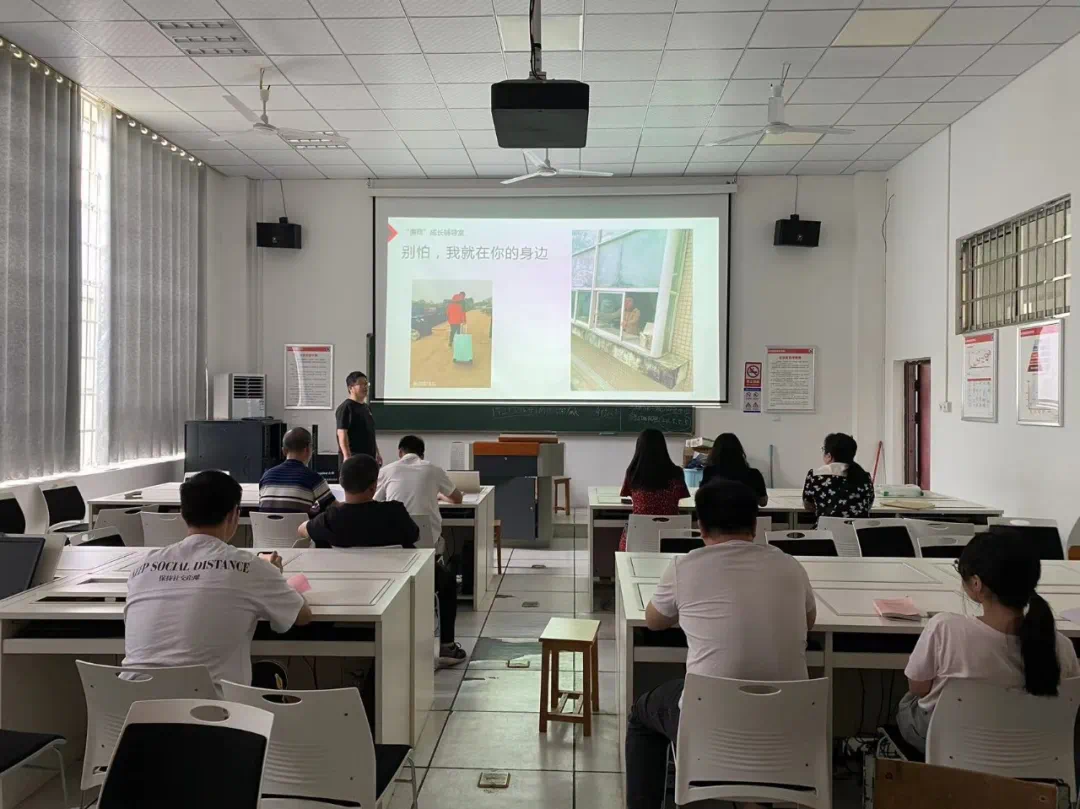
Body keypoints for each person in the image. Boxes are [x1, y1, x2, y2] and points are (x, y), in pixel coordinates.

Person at [625, 480, 816, 809]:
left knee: (642, 715)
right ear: (755, 525)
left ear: (699, 525)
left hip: (710, 733)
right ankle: (757, 798)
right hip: (786, 735)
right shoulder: (790, 566)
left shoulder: (684, 567)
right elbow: (808, 622)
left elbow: (653, 621)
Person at [123, 471, 313, 692]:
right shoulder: (251, 567)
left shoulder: (142, 568)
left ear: (183, 513)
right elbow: (302, 616)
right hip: (209, 709)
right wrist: (274, 576)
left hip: (130, 706)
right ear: (234, 514)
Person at [897, 529, 1079, 753]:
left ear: (976, 584)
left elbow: (919, 688)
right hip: (1031, 751)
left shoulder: (944, 629)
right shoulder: (1063, 646)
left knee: (908, 702)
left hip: (952, 746)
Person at [300, 454, 467, 668]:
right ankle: (447, 646)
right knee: (446, 579)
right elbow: (414, 534)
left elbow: (302, 530)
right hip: (398, 589)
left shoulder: (330, 518)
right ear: (373, 487)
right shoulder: (394, 512)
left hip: (346, 590)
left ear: (341, 484)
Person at [375, 434, 463, 548]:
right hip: (428, 541)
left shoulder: (386, 471)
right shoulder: (434, 469)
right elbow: (457, 498)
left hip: (395, 542)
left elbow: (375, 501)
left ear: (400, 452)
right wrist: (441, 497)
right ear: (422, 455)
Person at [618, 428, 690, 552]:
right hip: (672, 540)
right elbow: (681, 495)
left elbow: (628, 494)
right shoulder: (677, 473)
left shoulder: (633, 473)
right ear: (663, 448)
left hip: (639, 538)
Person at [259, 427, 336, 514]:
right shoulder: (314, 478)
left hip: (265, 523)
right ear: (308, 449)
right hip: (299, 523)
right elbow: (334, 508)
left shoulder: (266, 476)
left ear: (283, 451)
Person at [802, 432, 875, 519]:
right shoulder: (864, 476)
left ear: (829, 455)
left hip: (826, 527)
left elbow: (808, 505)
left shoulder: (814, 475)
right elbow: (868, 505)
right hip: (858, 527)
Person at [702, 432, 768, 506]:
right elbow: (763, 503)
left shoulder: (709, 472)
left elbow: (702, 499)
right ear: (740, 451)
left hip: (716, 513)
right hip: (745, 513)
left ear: (715, 452)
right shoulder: (754, 474)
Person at [336, 371, 380, 466]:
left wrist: (377, 453)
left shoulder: (366, 407)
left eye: (366, 384)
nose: (365, 387)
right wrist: (347, 456)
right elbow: (342, 433)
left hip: (369, 458)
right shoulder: (346, 407)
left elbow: (370, 433)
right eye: (361, 384)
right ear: (350, 388)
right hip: (353, 459)